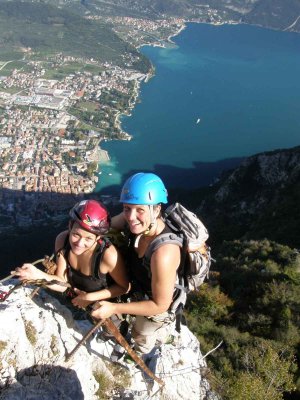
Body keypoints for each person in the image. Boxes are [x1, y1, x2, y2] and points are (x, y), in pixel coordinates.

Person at [91, 173, 181, 355]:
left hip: (155, 300)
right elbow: (101, 228)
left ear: (156, 210)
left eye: (139, 210)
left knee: (141, 332)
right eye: (126, 208)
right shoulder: (135, 222)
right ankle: (121, 332)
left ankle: (145, 349)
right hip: (137, 284)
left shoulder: (164, 252)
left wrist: (114, 308)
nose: (131, 217)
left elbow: (160, 304)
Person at [12, 199, 130, 310]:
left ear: (98, 237)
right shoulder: (62, 240)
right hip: (74, 301)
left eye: (88, 238)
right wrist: (37, 274)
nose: (79, 243)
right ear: (69, 226)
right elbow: (62, 283)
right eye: (76, 235)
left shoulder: (108, 256)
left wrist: (89, 298)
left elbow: (123, 287)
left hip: (103, 307)